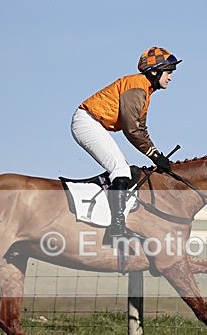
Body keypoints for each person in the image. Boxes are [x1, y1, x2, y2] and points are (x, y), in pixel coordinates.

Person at [71, 46, 181, 238]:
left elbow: (141, 129)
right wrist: (156, 156)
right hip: (87, 122)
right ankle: (116, 228)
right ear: (154, 71)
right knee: (121, 170)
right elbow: (132, 130)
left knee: (123, 169)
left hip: (92, 122)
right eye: (168, 72)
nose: (170, 77)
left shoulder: (145, 90)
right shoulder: (137, 86)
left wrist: (157, 154)